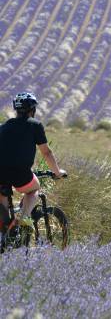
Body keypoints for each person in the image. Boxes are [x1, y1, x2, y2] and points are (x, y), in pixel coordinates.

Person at [0, 92, 65, 229]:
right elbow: (46, 153)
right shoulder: (35, 125)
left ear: (16, 110)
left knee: (3, 208)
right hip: (20, 173)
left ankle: (6, 234)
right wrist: (57, 172)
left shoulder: (4, 126)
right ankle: (23, 219)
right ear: (32, 110)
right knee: (33, 188)